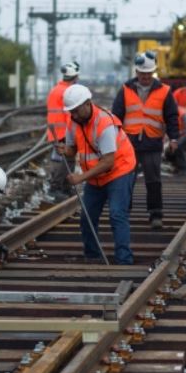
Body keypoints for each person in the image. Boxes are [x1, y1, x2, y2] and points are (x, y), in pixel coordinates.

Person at [61, 84, 137, 264]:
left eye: (77, 111)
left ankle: (124, 259)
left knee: (117, 214)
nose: (74, 115)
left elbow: (108, 162)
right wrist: (65, 150)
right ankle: (92, 256)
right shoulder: (73, 122)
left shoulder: (104, 123)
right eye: (71, 111)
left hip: (119, 170)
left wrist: (80, 178)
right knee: (87, 216)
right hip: (95, 176)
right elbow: (72, 150)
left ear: (88, 104)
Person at [112, 51, 180, 229]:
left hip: (152, 142)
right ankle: (124, 213)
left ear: (154, 72)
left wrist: (174, 138)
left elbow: (172, 116)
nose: (145, 77)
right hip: (129, 143)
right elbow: (116, 116)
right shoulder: (126, 90)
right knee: (126, 179)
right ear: (136, 72)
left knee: (153, 180)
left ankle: (155, 214)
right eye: (142, 73)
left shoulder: (164, 91)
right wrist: (113, 139)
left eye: (149, 73)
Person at [46, 61, 80, 200]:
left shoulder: (55, 89)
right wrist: (74, 133)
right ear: (75, 77)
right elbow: (69, 115)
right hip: (64, 133)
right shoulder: (68, 92)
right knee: (67, 160)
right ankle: (55, 188)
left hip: (55, 132)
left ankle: (65, 188)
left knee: (65, 160)